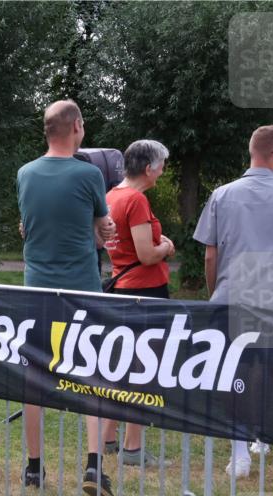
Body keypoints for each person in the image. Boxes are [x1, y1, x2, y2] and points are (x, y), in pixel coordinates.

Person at [17, 99, 117, 496]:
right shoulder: (89, 174)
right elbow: (101, 232)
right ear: (76, 127)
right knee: (92, 374)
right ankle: (94, 464)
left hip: (37, 289)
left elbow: (29, 229)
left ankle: (34, 466)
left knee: (34, 377)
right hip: (82, 290)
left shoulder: (25, 174)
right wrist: (105, 229)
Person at [193, 125, 273, 479]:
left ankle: (240, 453)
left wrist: (216, 291)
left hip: (233, 296)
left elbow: (210, 255)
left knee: (235, 374)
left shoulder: (221, 195)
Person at [100, 139, 176, 467]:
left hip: (121, 286)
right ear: (148, 168)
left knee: (122, 366)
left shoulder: (111, 196)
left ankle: (107, 437)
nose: (162, 172)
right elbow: (146, 254)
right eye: (161, 167)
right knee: (144, 368)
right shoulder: (136, 200)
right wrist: (167, 247)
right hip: (147, 290)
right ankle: (133, 448)